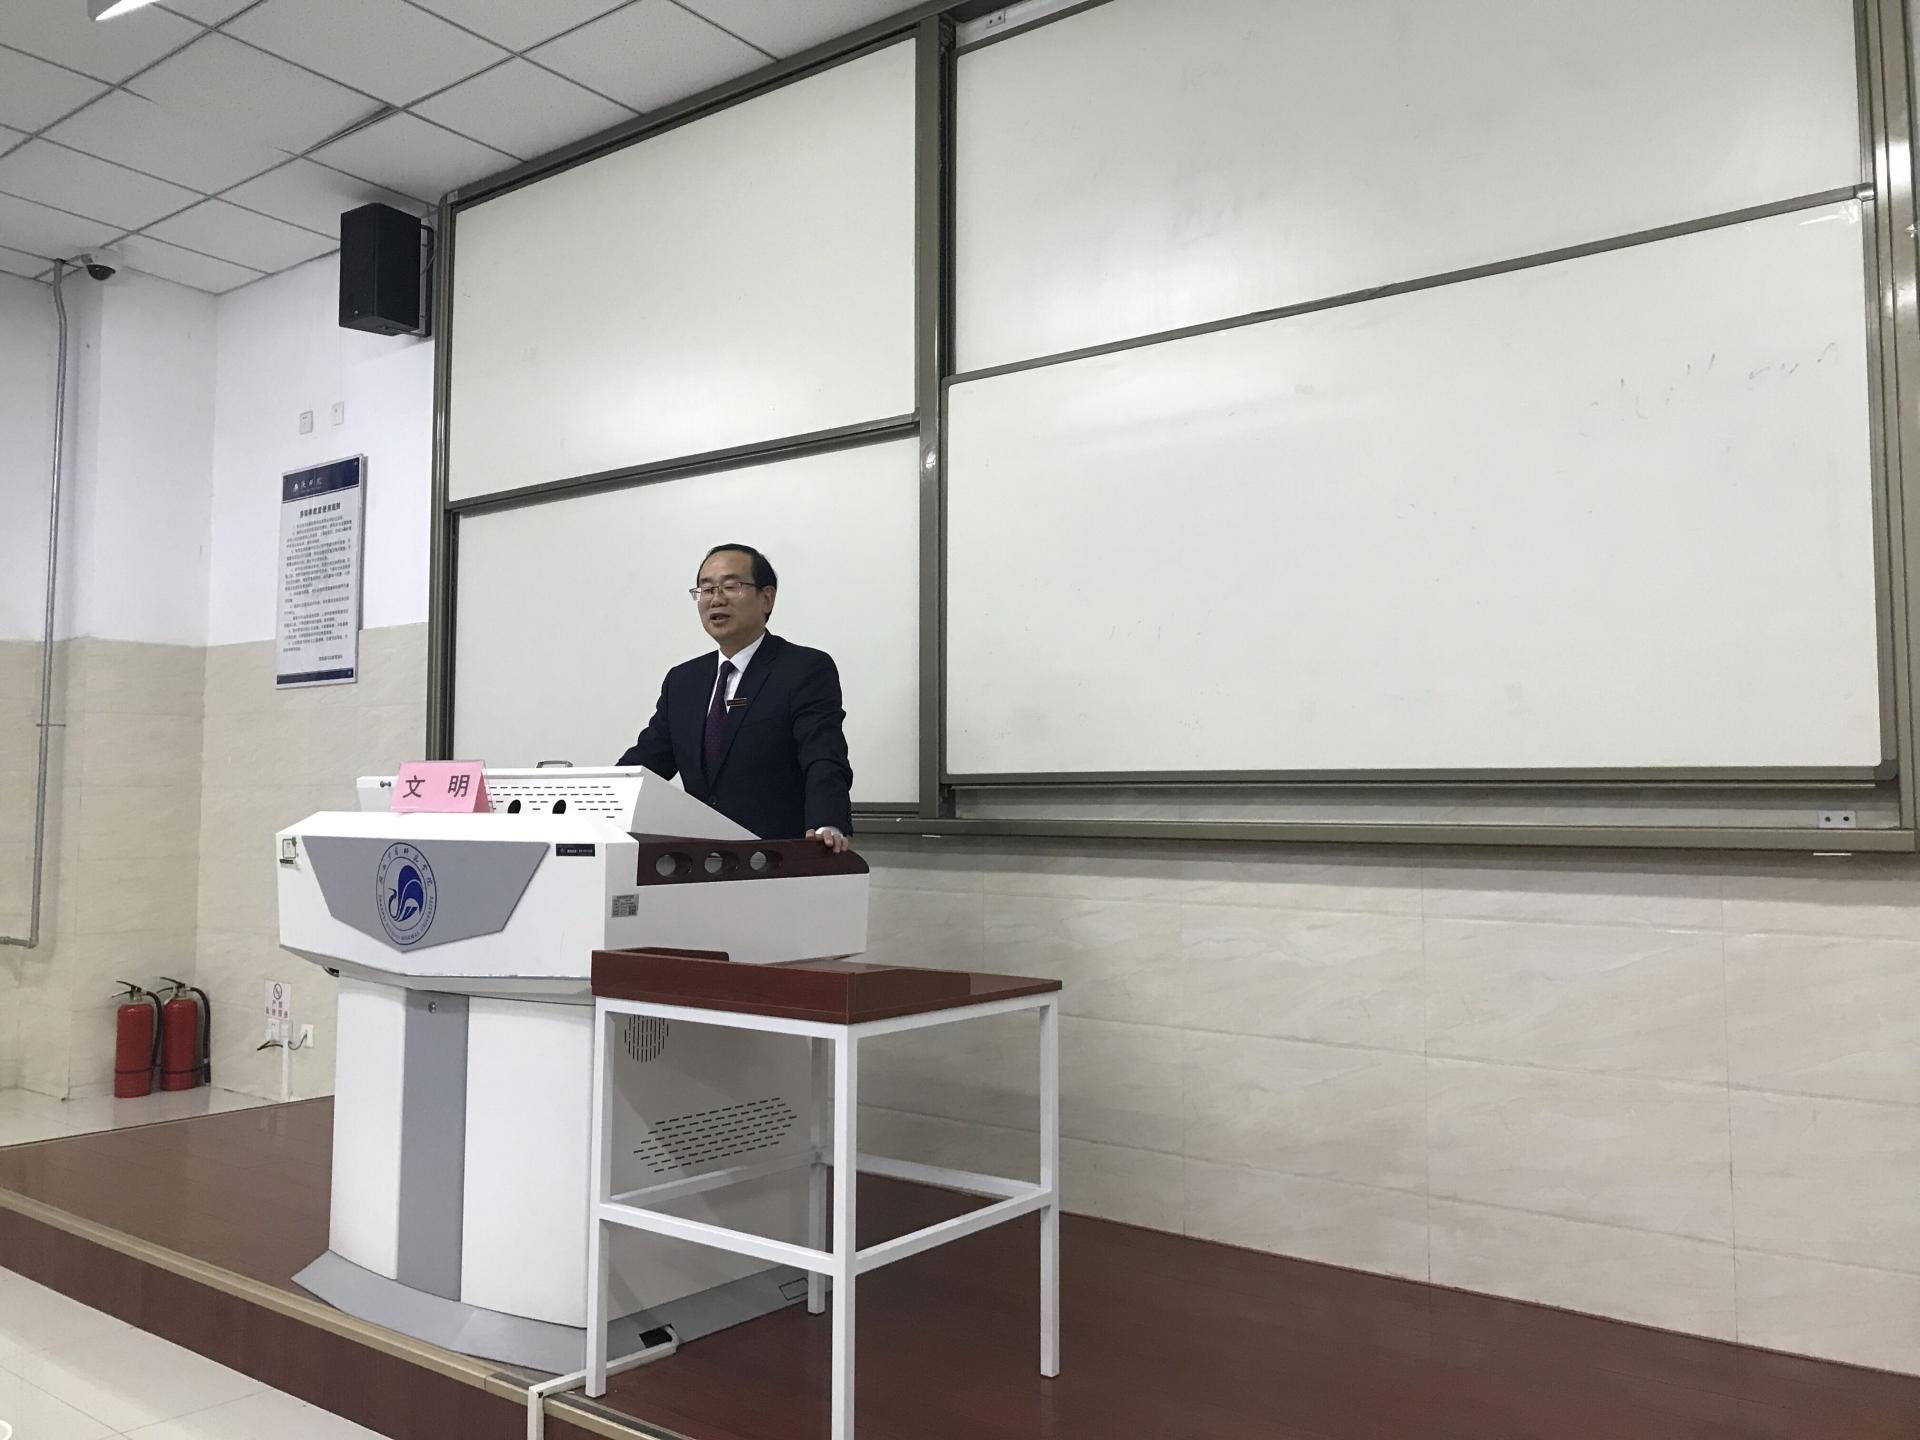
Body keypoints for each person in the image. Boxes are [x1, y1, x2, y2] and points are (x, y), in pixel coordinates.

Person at [616, 544, 852, 851]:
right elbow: (647, 760)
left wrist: (826, 823)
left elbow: (823, 754)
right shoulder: (683, 681)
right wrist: (591, 802)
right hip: (698, 857)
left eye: (731, 586)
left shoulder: (803, 669)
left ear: (767, 598)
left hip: (778, 856)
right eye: (706, 589)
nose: (716, 599)